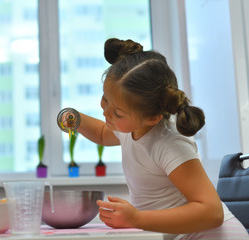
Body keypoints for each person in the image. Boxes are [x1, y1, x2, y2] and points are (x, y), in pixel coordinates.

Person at [66, 38, 248, 239]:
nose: (106, 113)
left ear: (152, 118)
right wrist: (76, 119)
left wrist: (136, 218)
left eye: (117, 113)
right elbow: (101, 132)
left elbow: (212, 212)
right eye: (105, 99)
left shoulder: (169, 143)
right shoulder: (128, 128)